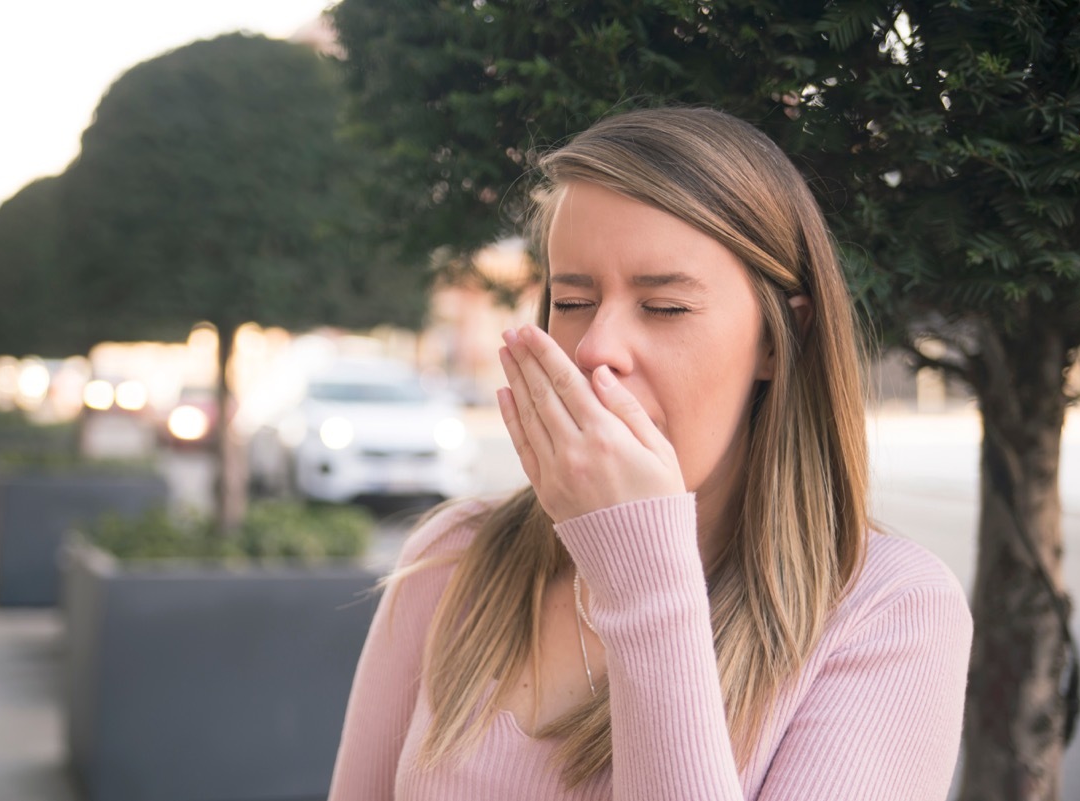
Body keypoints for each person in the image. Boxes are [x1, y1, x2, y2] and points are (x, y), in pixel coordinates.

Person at [328, 107, 972, 800]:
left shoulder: (892, 609)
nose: (596, 348)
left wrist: (642, 577)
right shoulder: (455, 557)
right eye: (572, 301)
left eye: (665, 308)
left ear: (779, 337)